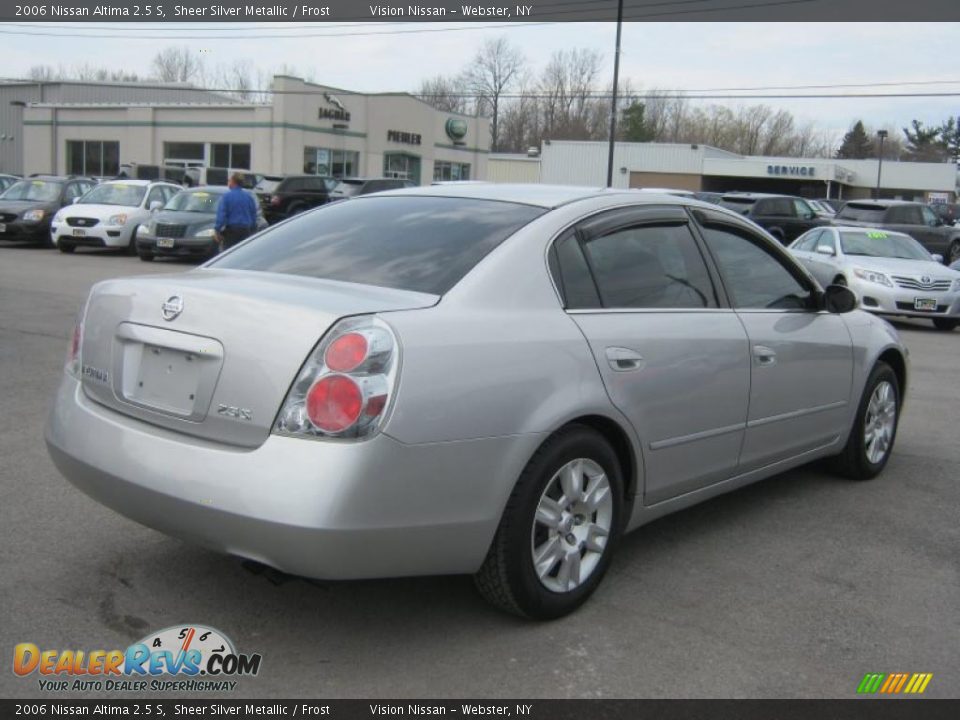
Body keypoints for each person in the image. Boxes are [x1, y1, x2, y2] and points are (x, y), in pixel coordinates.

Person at [215, 173, 258, 251]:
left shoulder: (227, 197)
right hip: (245, 230)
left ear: (233, 182)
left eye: (229, 181)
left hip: (232, 231)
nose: (229, 183)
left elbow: (221, 215)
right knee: (243, 253)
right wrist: (252, 229)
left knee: (229, 253)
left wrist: (217, 230)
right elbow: (253, 215)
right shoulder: (248, 197)